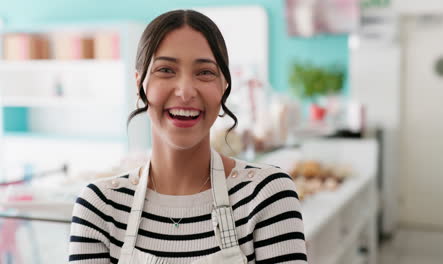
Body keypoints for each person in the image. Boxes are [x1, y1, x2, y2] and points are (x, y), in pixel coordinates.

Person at [68, 9, 308, 264]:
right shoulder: (100, 206)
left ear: (224, 87)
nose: (185, 91)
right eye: (166, 70)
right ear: (139, 86)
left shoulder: (266, 195)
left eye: (205, 72)